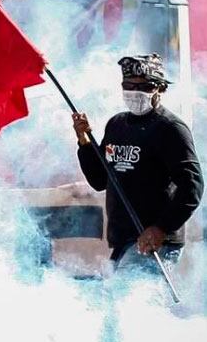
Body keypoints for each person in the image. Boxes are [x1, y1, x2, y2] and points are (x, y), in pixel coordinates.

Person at [72, 54, 204, 272]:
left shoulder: (170, 128)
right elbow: (99, 180)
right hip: (123, 239)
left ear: (160, 89)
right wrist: (85, 143)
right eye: (129, 85)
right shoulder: (116, 125)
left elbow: (192, 187)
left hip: (154, 242)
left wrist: (161, 228)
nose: (135, 91)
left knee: (132, 302)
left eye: (144, 86)